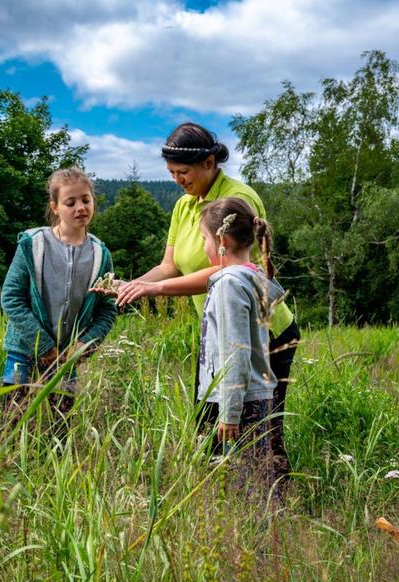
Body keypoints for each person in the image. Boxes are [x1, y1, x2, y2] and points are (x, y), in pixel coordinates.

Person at [113, 122, 300, 494]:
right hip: (220, 336)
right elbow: (170, 265)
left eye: (183, 173)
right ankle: (226, 504)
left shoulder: (236, 199)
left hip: (261, 334)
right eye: (170, 174)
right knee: (210, 425)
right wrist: (133, 285)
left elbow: (228, 271)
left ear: (210, 162)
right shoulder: (184, 206)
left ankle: (275, 508)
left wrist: (155, 289)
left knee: (259, 430)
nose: (178, 181)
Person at [0, 165, 117, 432]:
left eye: (86, 200)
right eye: (70, 202)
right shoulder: (33, 244)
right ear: (55, 207)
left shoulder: (101, 254)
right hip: (24, 352)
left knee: (58, 432)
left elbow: (107, 310)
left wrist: (85, 344)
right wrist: (42, 345)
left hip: (66, 358)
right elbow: (11, 298)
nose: (80, 208)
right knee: (12, 426)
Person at [197, 197, 284, 495]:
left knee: (246, 487)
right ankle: (264, 535)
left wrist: (229, 412)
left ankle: (256, 540)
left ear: (221, 240)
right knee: (256, 478)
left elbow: (236, 351)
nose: (204, 247)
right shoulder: (253, 278)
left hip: (239, 402)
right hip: (255, 398)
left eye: (205, 240)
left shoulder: (229, 284)